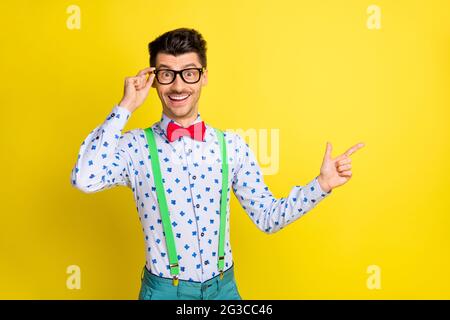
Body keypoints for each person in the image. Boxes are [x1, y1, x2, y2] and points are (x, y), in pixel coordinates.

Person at [70, 27, 365, 300]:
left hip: (224, 290)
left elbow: (268, 218)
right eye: (166, 74)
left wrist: (321, 185)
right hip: (163, 292)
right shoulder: (134, 147)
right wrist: (125, 107)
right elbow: (84, 178)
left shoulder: (232, 146)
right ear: (153, 80)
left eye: (188, 73)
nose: (177, 85)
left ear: (204, 76)